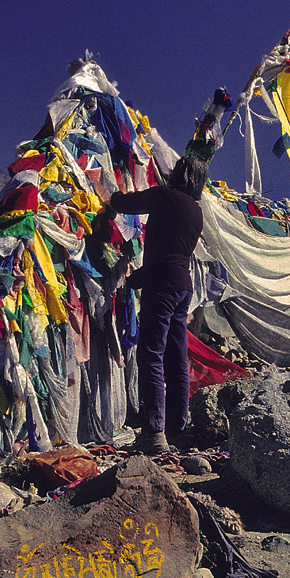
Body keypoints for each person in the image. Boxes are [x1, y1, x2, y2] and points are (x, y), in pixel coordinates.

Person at [107, 155, 208, 454]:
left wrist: (109, 194)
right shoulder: (196, 211)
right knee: (176, 356)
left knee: (151, 353)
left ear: (181, 173)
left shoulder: (164, 196)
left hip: (161, 285)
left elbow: (123, 204)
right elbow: (172, 250)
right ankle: (178, 426)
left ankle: (153, 431)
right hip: (182, 287)